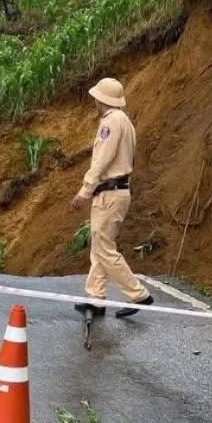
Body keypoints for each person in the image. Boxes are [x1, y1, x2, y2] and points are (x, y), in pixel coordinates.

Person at [70, 77, 153, 318]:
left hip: (109, 192)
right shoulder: (124, 121)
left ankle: (138, 294)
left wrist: (85, 190)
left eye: (96, 98)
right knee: (99, 246)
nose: (95, 102)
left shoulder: (111, 122)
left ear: (102, 100)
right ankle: (96, 298)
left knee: (104, 248)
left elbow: (102, 160)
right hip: (115, 191)